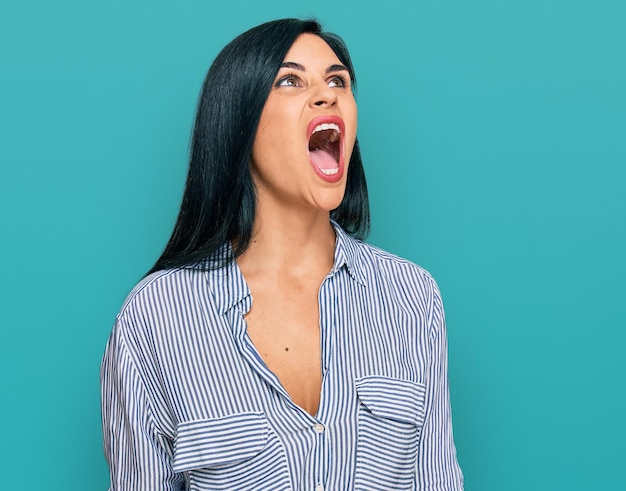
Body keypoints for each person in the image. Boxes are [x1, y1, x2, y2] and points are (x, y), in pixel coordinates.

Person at [101, 18, 464, 491]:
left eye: (338, 81)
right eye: (290, 80)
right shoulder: (155, 318)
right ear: (240, 121)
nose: (327, 94)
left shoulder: (412, 299)